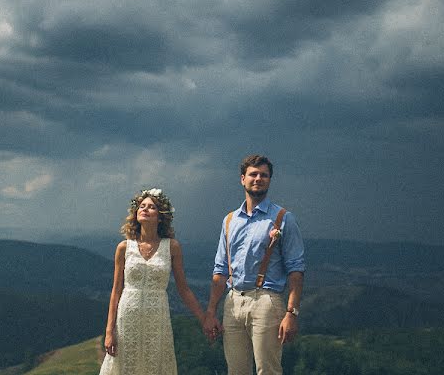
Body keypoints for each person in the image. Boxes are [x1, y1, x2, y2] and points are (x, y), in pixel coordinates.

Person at [202, 154, 305, 375]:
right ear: (242, 179)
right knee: (236, 371)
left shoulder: (283, 218)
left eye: (264, 175)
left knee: (267, 370)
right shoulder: (229, 220)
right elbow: (220, 270)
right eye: (253, 174)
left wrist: (291, 313)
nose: (258, 178)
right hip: (233, 301)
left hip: (266, 300)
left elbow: (296, 270)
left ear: (269, 180)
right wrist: (211, 312)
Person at [99, 188, 205, 375]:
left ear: (160, 216)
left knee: (154, 365)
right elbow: (116, 292)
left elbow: (184, 289)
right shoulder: (123, 247)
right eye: (142, 206)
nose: (145, 209)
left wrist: (204, 319)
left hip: (157, 317)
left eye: (151, 207)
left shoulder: (172, 246)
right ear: (136, 213)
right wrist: (109, 331)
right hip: (127, 317)